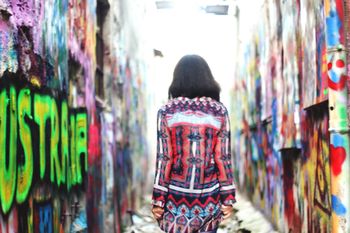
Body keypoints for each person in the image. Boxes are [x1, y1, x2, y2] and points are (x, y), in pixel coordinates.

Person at [151, 55, 236, 233]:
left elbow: (164, 158)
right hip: (209, 200)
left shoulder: (166, 111)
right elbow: (223, 158)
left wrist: (158, 200)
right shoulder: (218, 111)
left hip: (175, 202)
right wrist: (228, 197)